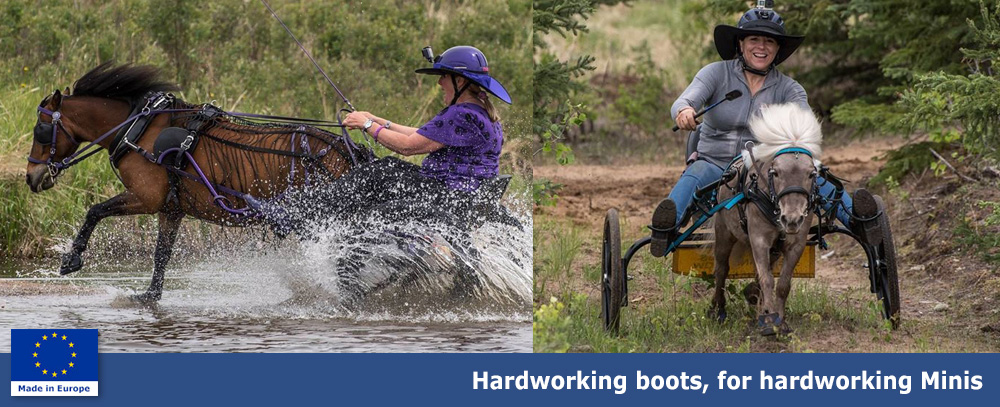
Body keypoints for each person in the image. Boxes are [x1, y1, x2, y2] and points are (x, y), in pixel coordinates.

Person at [649, 2, 878, 256]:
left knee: (817, 178)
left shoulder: (789, 89)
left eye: (769, 41)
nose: (761, 47)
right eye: (754, 39)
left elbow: (803, 124)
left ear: (778, 48)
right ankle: (665, 229)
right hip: (715, 164)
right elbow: (684, 100)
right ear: (740, 43)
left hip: (764, 169)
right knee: (694, 175)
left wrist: (796, 136)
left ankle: (858, 223)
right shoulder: (715, 74)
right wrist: (684, 112)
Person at [299, 45, 511, 227]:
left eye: (443, 76)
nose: (439, 83)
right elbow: (421, 135)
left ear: (460, 81)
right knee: (388, 166)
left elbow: (408, 147)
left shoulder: (461, 114)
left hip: (445, 196)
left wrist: (366, 125)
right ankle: (316, 209)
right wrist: (377, 120)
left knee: (377, 174)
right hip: (460, 195)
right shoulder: (481, 113)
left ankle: (307, 211)